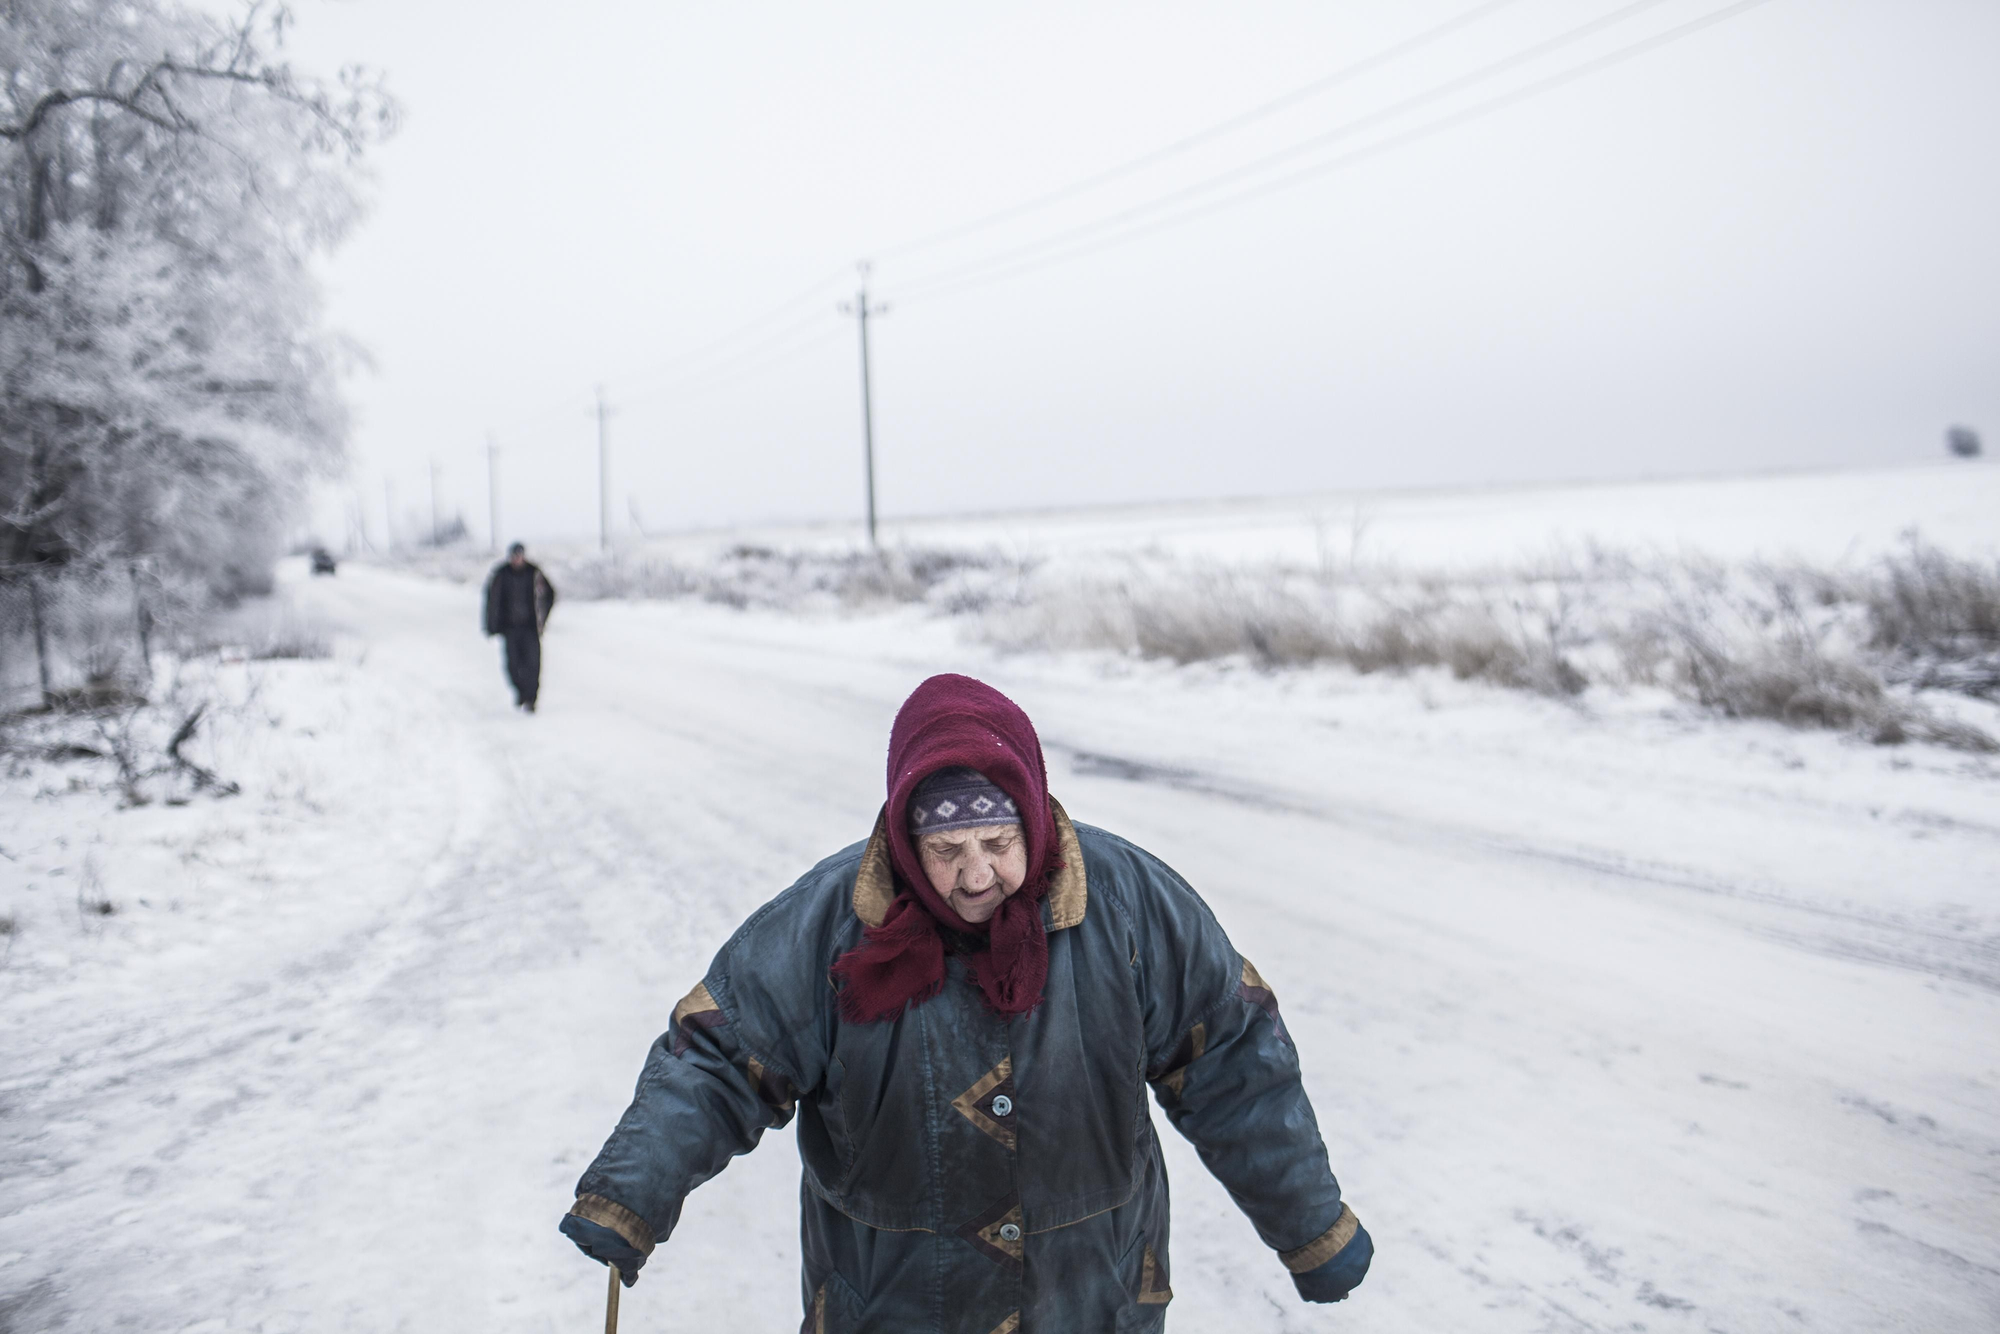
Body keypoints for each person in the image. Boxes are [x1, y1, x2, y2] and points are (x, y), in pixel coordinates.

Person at [558, 674, 1372, 1331]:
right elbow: (722, 1057)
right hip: (892, 1307)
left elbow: (1231, 1057)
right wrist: (633, 1191)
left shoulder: (1127, 905)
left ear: (1034, 817)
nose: (976, 876)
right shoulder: (832, 923)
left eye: (998, 843)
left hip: (1091, 1302)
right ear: (907, 842)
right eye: (945, 851)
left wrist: (1310, 1227)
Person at [481, 542, 555, 711]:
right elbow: (491, 600)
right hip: (510, 628)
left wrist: (543, 616)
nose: (517, 559)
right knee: (513, 665)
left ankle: (531, 699)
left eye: (520, 555)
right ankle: (521, 692)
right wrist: (491, 624)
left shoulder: (534, 573)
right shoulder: (501, 574)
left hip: (530, 628)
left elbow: (550, 595)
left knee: (533, 664)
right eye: (515, 556)